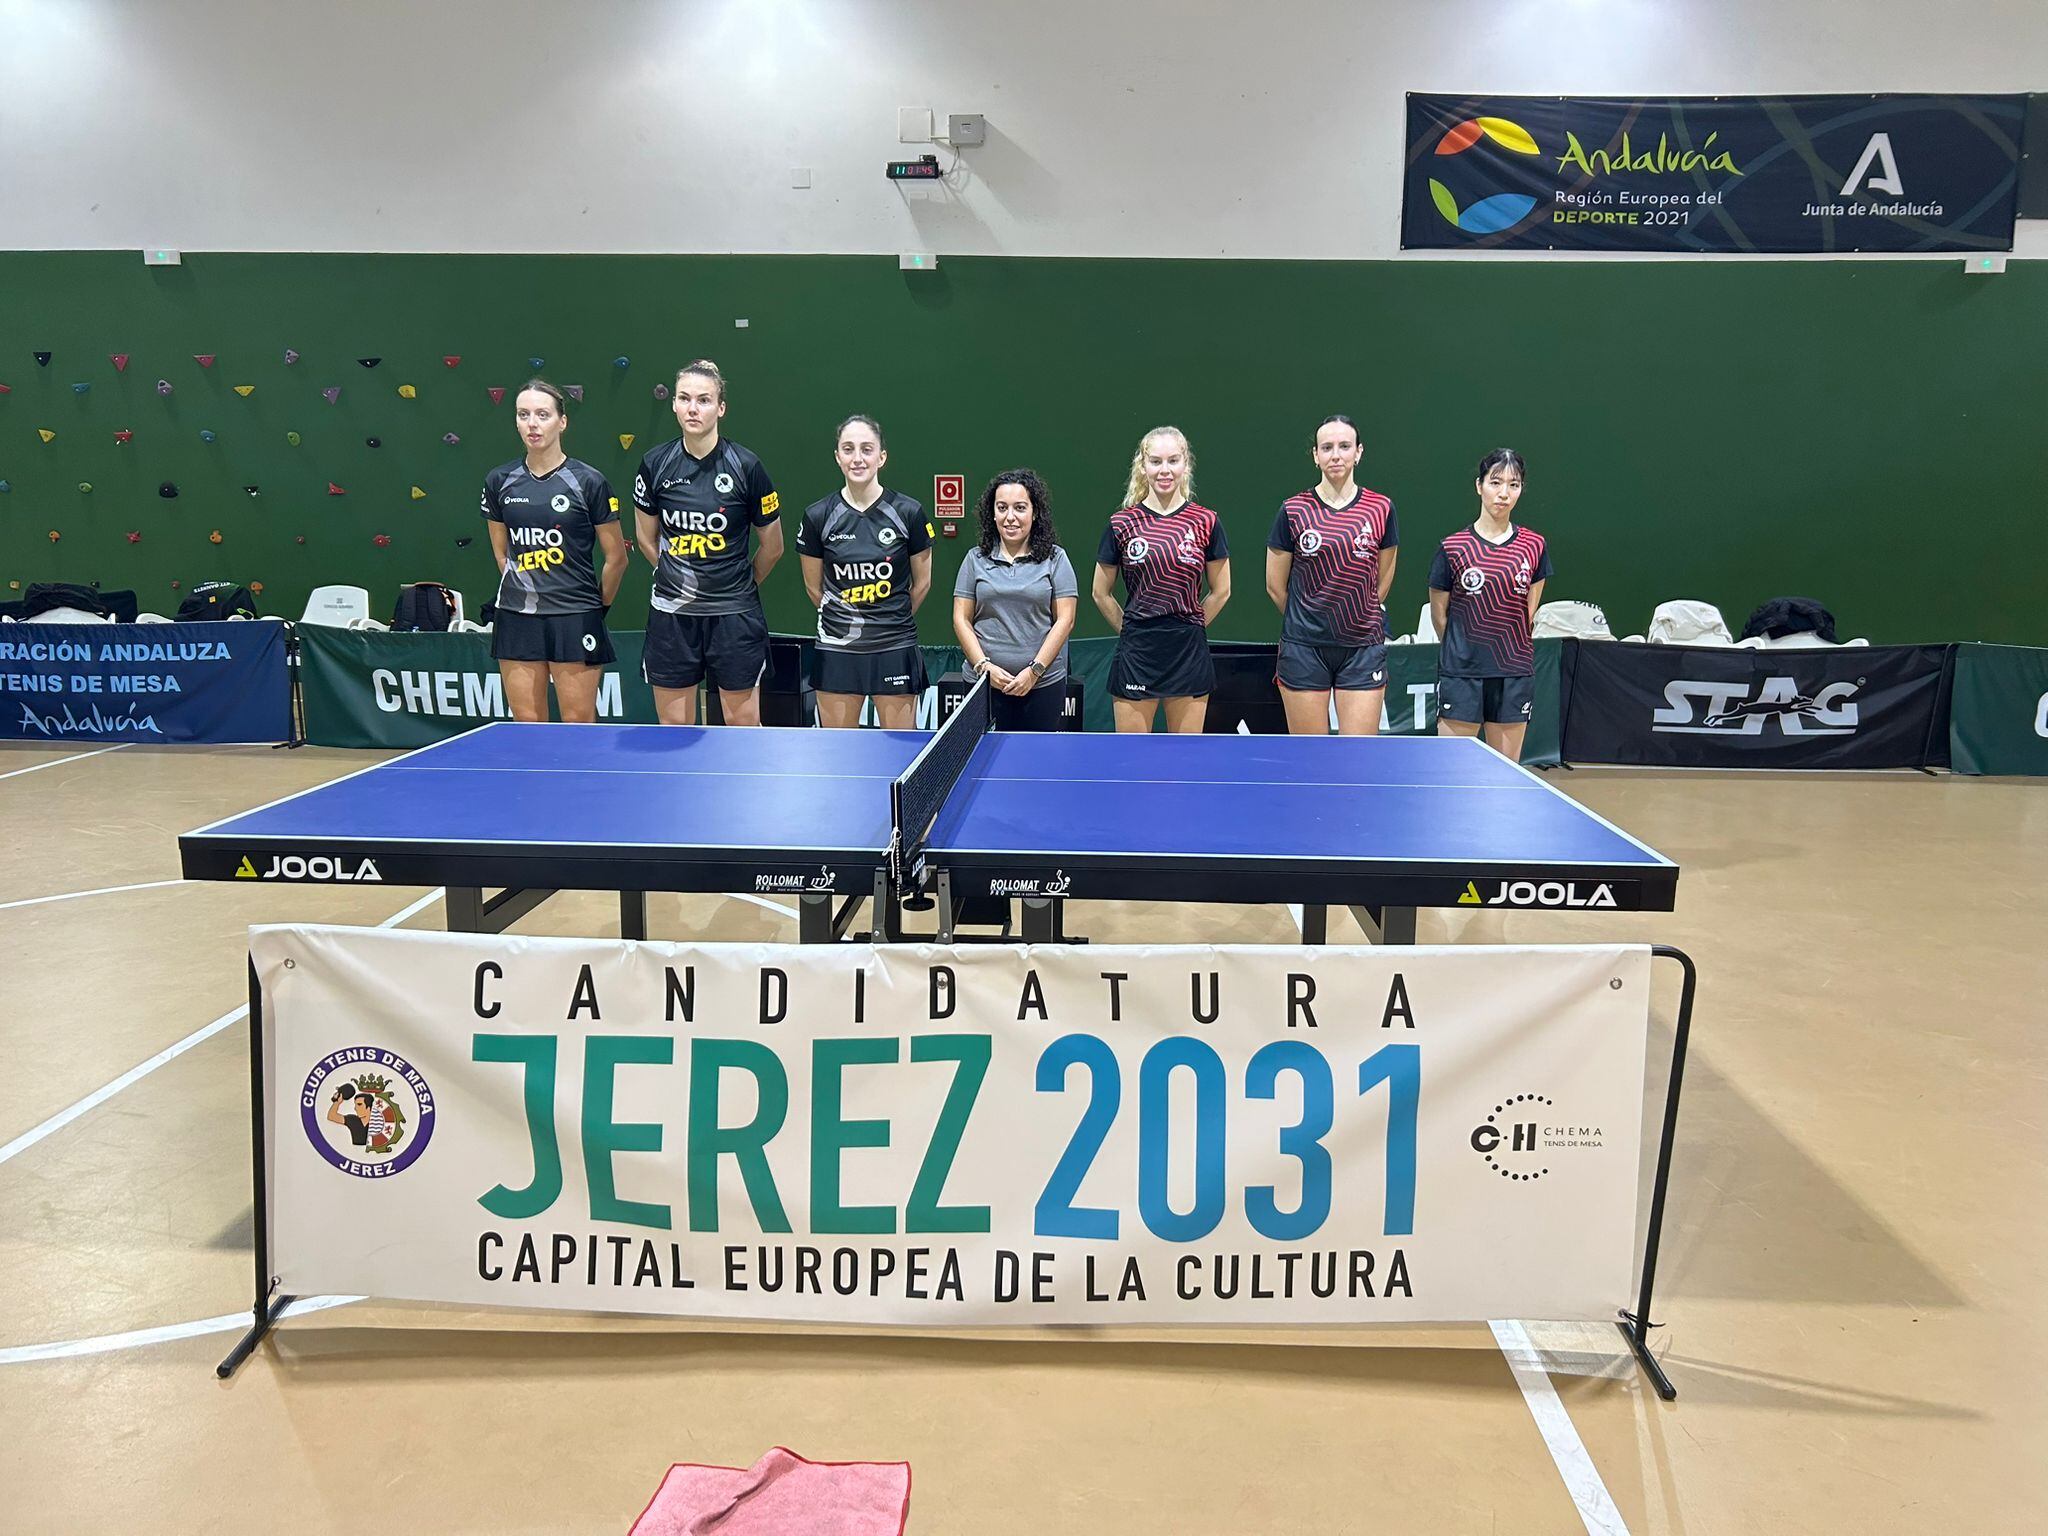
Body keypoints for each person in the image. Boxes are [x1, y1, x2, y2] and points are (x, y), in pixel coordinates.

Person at [633, 360, 782, 725]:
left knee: (743, 728)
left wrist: (740, 587)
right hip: (672, 616)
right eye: (685, 398)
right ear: (674, 405)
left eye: (703, 400)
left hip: (734, 616)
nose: (693, 408)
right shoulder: (654, 464)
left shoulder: (747, 466)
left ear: (721, 407)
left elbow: (773, 546)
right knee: (674, 731)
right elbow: (644, 537)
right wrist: (674, 576)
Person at [481, 379, 629, 724]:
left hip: (575, 615)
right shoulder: (499, 480)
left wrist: (598, 606)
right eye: (524, 414)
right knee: (527, 725)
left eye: (542, 414)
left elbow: (616, 558)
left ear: (562, 421)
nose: (532, 423)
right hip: (517, 617)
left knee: (578, 725)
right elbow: (502, 555)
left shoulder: (589, 482)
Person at [1265, 414, 1399, 734]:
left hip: (1362, 648)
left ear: (1358, 452)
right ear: (1315, 456)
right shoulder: (1294, 509)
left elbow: (1384, 575)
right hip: (1304, 649)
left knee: (1357, 758)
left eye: (1344, 446)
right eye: (1326, 447)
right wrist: (1311, 619)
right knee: (1312, 761)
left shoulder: (1381, 508)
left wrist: (1356, 615)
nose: (1335, 454)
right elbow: (1274, 585)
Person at [1091, 426, 1230, 733]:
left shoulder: (1207, 521)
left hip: (1188, 650)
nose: (1164, 470)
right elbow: (1100, 593)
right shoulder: (1122, 523)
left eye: (1173, 460)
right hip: (1138, 650)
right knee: (1132, 761)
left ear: (1186, 465)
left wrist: (1190, 626)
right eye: (1155, 461)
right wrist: (1131, 631)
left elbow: (1221, 591)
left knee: (1184, 762)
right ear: (1143, 466)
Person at [797, 415, 933, 728]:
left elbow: (923, 583)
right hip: (838, 650)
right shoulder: (818, 516)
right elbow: (813, 588)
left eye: (866, 449)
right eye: (848, 449)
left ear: (881, 457)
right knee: (839, 756)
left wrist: (891, 618)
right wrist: (846, 624)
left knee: (900, 756)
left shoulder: (908, 512)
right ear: (837, 457)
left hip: (894, 645)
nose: (858, 458)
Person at [1428, 448, 1551, 759]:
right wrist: (1463, 651)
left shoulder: (1534, 546)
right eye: (1495, 483)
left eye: (1514, 484)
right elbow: (1439, 615)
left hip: (1513, 673)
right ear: (1479, 485)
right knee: (1453, 777)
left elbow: (1527, 611)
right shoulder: (1453, 547)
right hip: (1462, 673)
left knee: (1504, 781)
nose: (1504, 494)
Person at [952, 469, 1079, 731]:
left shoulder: (1056, 559)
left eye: (1020, 508)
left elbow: (1065, 620)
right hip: (982, 686)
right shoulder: (975, 559)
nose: (1011, 517)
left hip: (1043, 685)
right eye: (1002, 508)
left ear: (1035, 512)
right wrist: (983, 667)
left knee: (1035, 765)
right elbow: (960, 619)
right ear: (993, 513)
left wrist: (1034, 672)